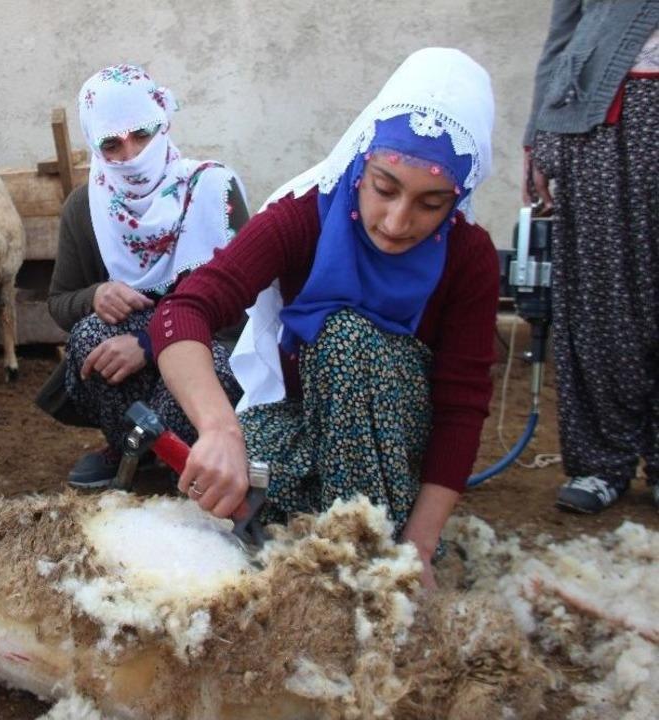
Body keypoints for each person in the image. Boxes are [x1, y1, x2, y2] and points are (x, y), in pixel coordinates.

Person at [148, 48, 499, 588]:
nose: (398, 221)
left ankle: (365, 547)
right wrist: (219, 432)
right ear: (361, 163)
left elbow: (461, 405)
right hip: (306, 416)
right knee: (234, 492)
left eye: (431, 204)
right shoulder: (303, 215)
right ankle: (355, 522)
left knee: (345, 336)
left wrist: (420, 546)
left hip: (401, 438)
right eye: (384, 188)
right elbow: (185, 310)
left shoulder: (469, 257)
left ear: (458, 197)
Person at [36, 63, 249, 489]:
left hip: (210, 343)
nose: (130, 155)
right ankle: (129, 446)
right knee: (88, 337)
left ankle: (170, 458)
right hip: (133, 355)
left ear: (162, 123)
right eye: (112, 144)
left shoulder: (210, 191)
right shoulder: (87, 206)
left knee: (216, 368)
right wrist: (94, 295)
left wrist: (151, 344)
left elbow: (244, 314)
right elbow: (60, 301)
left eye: (142, 134)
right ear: (96, 147)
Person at [524, 0, 659, 514]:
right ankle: (601, 463)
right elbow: (563, 36)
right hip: (600, 123)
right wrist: (538, 138)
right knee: (602, 298)